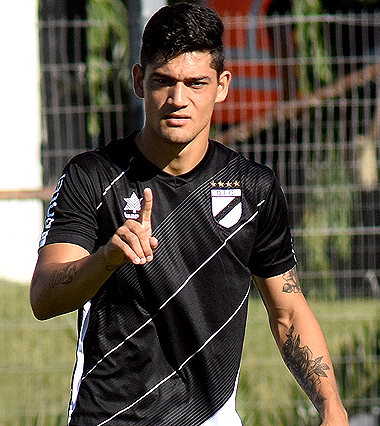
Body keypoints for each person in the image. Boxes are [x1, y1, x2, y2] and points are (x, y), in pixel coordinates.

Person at [30, 3, 348, 425]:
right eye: (163, 81)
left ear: (222, 86)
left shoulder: (253, 189)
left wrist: (332, 406)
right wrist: (106, 258)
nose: (178, 100)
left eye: (196, 83)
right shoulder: (93, 176)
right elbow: (44, 297)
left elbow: (288, 312)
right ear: (139, 81)